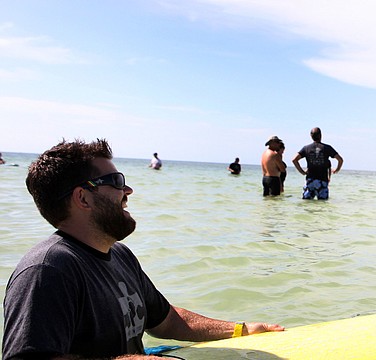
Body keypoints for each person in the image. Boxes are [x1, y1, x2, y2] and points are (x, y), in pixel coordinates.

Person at [2, 139, 284, 360]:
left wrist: (239, 330)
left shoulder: (120, 255)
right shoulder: (47, 270)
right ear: (82, 198)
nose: (129, 191)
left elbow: (167, 321)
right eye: (116, 182)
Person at [292, 127, 343, 200]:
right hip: (322, 180)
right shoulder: (327, 148)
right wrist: (337, 169)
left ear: (311, 136)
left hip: (310, 181)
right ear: (321, 135)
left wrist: (302, 172)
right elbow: (340, 159)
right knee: (322, 206)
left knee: (307, 204)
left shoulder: (306, 148)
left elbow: (294, 160)